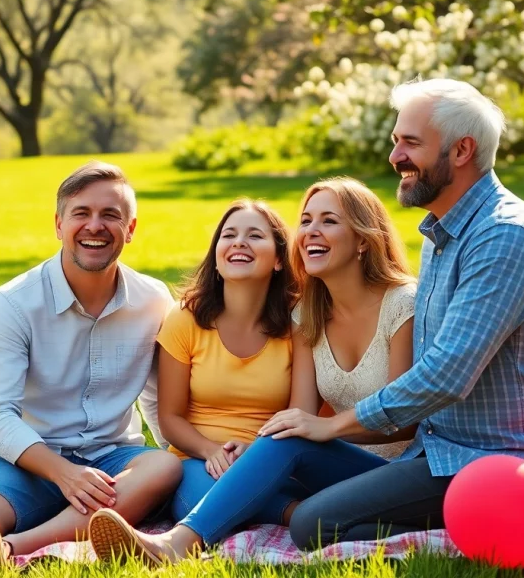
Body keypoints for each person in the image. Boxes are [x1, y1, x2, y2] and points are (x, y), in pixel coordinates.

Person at [88, 77, 524, 561]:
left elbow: (446, 376)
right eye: (396, 142)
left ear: (461, 151)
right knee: (292, 443)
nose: (394, 157)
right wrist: (310, 426)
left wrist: (333, 427)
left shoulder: (505, 237)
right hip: (438, 455)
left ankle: (189, 540)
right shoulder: (443, 236)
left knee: (310, 522)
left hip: (497, 463)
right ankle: (177, 543)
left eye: (410, 143)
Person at [87, 179, 419, 563]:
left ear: (363, 239)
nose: (311, 231)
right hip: (294, 467)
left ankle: (178, 544)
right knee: (289, 513)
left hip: (391, 469)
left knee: (288, 434)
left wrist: (310, 432)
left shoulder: (386, 306)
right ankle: (319, 516)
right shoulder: (307, 314)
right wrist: (239, 452)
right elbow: (297, 417)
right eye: (307, 220)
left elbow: (391, 418)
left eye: (328, 221)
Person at [0, 161, 183, 570]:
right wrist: (64, 474)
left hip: (112, 460)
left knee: (163, 465)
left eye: (111, 215)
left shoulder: (154, 300)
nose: (95, 226)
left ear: (131, 229)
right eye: (81, 213)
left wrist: (174, 465)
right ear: (58, 224)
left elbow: (157, 400)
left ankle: (12, 547)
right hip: (30, 457)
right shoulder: (13, 302)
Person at [145, 199, 306, 526]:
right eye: (228, 235)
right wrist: (211, 451)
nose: (239, 242)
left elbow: (300, 415)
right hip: (197, 460)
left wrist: (256, 453)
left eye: (255, 236)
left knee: (248, 486)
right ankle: (298, 515)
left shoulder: (298, 321)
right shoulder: (184, 318)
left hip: (272, 458)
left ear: (279, 259)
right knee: (201, 495)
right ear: (217, 257)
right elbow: (170, 418)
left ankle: (296, 511)